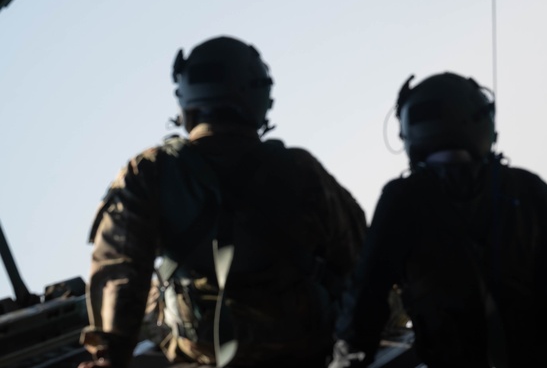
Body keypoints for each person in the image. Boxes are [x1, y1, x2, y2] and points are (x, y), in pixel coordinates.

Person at [79, 36, 367, 368]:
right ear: (258, 96)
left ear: (186, 101)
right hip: (304, 348)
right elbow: (359, 259)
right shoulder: (301, 169)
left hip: (201, 350)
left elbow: (121, 272)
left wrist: (109, 358)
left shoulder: (150, 171)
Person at [338, 72, 547, 368]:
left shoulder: (399, 201)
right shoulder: (526, 188)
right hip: (541, 356)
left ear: (411, 135)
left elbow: (362, 307)